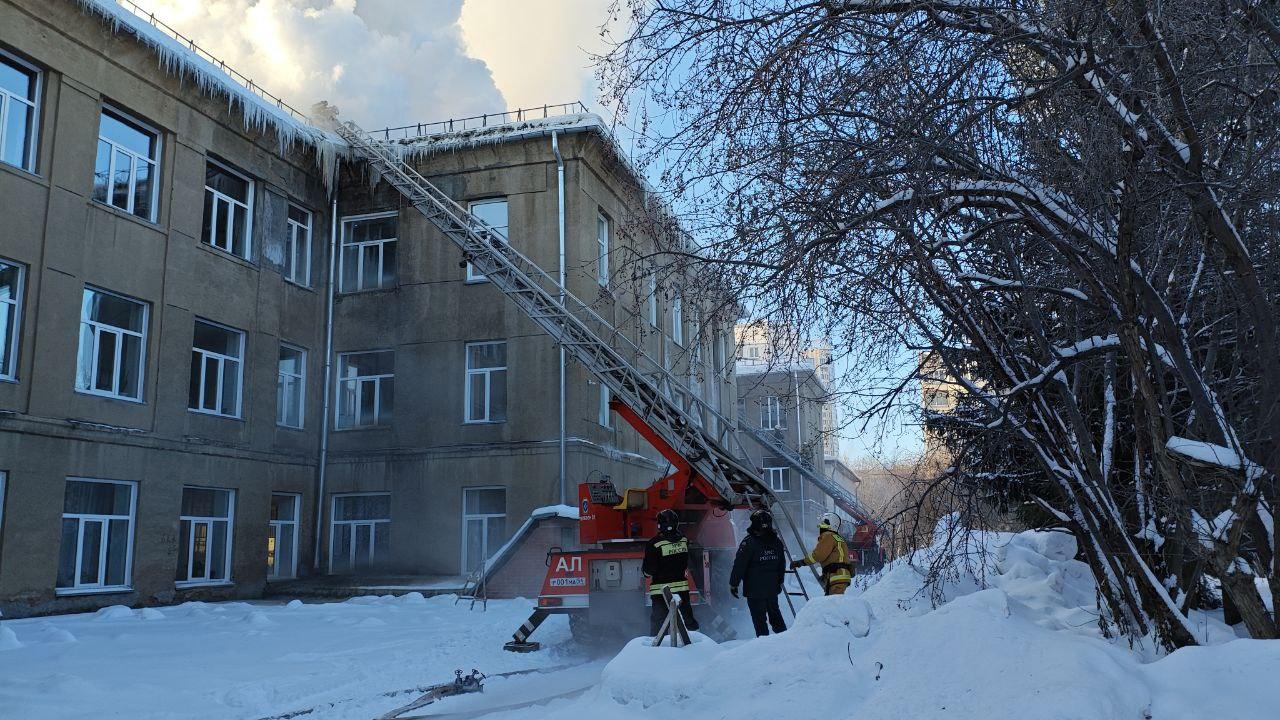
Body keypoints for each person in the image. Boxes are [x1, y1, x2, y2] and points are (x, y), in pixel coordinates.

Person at [729, 508, 788, 637]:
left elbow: (739, 565)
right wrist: (779, 581)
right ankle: (785, 640)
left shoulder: (748, 543)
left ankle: (763, 644)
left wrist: (734, 584)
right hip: (772, 588)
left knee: (759, 621)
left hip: (754, 590)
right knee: (776, 616)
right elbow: (781, 564)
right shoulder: (777, 542)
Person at [643, 508, 700, 636]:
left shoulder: (654, 544)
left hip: (661, 591)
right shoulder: (684, 540)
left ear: (659, 525)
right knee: (687, 620)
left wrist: (646, 573)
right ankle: (695, 643)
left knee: (659, 624)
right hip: (682, 590)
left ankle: (659, 647)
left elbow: (649, 570)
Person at [791, 512, 854, 595]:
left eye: (823, 525)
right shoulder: (838, 538)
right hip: (841, 575)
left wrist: (801, 562)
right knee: (835, 601)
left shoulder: (828, 536)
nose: (821, 528)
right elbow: (835, 558)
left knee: (833, 602)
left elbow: (818, 555)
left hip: (836, 576)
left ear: (831, 525)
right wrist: (825, 576)